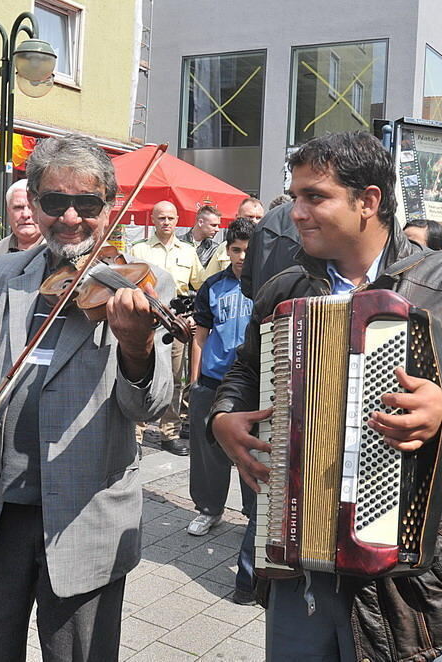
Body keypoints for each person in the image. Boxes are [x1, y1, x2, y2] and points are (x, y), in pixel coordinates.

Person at [210, 132, 442, 661]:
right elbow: (245, 372)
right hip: (301, 554)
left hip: (411, 578)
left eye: (314, 197)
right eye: (294, 196)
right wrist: (224, 417)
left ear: (368, 201)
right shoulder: (284, 289)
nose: (296, 212)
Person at [0, 134, 173, 660]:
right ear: (32, 203)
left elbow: (151, 405)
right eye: (55, 202)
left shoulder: (146, 285)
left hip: (85, 512)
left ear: (111, 206)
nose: (72, 218)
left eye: (88, 203)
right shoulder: (8, 271)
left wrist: (137, 346)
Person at [187, 218, 259, 605]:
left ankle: (251, 514)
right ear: (227, 250)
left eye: (247, 250)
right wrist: (197, 379)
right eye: (235, 250)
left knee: (252, 450)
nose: (241, 257)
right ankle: (209, 508)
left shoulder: (267, 286)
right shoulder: (213, 286)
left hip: (254, 383)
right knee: (208, 451)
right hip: (213, 381)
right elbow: (200, 335)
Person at [131, 200, 202, 456]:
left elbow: (200, 285)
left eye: (171, 218)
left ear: (177, 220)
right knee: (142, 376)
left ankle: (169, 432)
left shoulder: (188, 251)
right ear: (153, 219)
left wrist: (195, 315)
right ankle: (136, 433)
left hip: (176, 324)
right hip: (147, 323)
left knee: (174, 378)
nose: (166, 223)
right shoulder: (139, 251)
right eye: (161, 218)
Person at [0, 179, 42, 260]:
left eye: (32, 207)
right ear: (8, 211)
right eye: (18, 207)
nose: (25, 214)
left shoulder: (57, 250)